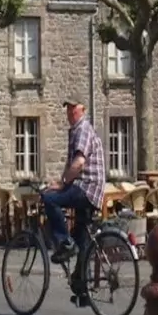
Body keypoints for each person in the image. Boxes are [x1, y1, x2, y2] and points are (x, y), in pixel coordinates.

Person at [43, 100, 106, 266]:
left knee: (49, 199)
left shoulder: (82, 129)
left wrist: (63, 184)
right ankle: (82, 284)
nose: (71, 112)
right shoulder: (76, 131)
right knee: (81, 236)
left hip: (87, 187)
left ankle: (65, 243)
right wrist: (60, 182)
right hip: (89, 188)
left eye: (74, 108)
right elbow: (71, 166)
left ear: (83, 109)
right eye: (68, 109)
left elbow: (78, 163)